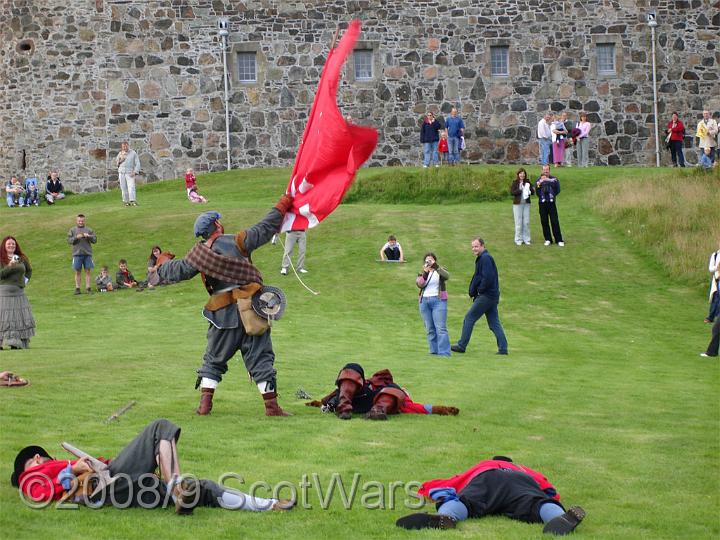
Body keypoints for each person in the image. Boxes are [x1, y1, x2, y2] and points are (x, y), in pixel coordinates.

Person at [157, 196, 294, 417]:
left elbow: (177, 270)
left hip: (221, 315)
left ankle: (204, 406)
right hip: (251, 310)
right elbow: (266, 227)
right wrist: (283, 203)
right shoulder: (239, 241)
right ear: (218, 226)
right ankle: (272, 407)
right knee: (261, 357)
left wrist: (160, 266)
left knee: (213, 359)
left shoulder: (198, 255)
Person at [11, 418, 294, 513]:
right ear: (34, 460)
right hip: (105, 487)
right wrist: (70, 471)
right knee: (160, 427)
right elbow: (40, 492)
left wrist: (83, 465)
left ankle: (267, 504)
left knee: (202, 489)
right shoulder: (30, 476)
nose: (43, 459)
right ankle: (175, 488)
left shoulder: (45, 469)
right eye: (41, 458)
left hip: (120, 488)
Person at [396, 456, 585, 536]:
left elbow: (458, 480)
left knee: (464, 502)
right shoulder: (523, 469)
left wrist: (427, 488)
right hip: (522, 483)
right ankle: (558, 517)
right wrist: (551, 498)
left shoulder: (486, 464)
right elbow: (549, 489)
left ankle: (445, 517)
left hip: (487, 479)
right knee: (538, 503)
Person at [305, 363, 459, 420]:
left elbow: (418, 408)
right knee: (352, 369)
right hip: (357, 397)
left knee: (390, 394)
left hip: (377, 398)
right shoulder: (339, 393)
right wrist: (321, 403)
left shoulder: (387, 391)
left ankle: (377, 411)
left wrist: (440, 409)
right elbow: (329, 400)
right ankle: (346, 408)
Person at [451, 238, 508, 355]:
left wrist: (479, 291)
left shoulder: (486, 258)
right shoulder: (483, 258)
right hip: (491, 296)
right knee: (494, 323)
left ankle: (462, 345)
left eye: (476, 246)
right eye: (472, 247)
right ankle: (503, 349)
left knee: (469, 318)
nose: (474, 249)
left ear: (483, 246)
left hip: (486, 296)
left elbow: (487, 278)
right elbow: (479, 277)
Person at [0, 236, 35, 350]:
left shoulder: (21, 258)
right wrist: (9, 266)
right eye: (9, 244)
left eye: (13, 244)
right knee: (5, 317)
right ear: (4, 245)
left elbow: (29, 270)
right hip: (4, 293)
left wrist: (24, 280)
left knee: (19, 317)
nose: (11, 246)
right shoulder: (1, 258)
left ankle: (16, 343)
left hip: (19, 292)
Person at [417, 252, 451, 356]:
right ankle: (434, 351)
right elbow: (419, 284)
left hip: (438, 301)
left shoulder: (440, 270)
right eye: (427, 260)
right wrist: (425, 272)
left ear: (435, 261)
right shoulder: (422, 273)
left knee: (440, 328)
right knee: (430, 328)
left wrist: (436, 267)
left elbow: (447, 276)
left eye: (431, 260)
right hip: (424, 302)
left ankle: (444, 352)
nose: (429, 262)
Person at [67, 214, 97, 295]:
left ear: (85, 221)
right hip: (77, 254)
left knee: (88, 271)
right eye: (79, 221)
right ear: (76, 221)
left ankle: (88, 288)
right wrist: (76, 237)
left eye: (82, 221)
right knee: (77, 272)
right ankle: (77, 288)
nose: (81, 222)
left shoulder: (89, 229)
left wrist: (89, 236)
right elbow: (69, 241)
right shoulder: (72, 230)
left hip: (87, 253)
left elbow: (95, 240)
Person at [536, 165, 564, 247]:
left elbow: (558, 189)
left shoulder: (554, 179)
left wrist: (552, 195)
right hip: (542, 203)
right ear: (542, 170)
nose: (546, 171)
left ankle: (559, 239)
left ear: (549, 170)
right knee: (544, 221)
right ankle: (548, 239)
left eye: (547, 169)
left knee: (554, 221)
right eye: (544, 170)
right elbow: (537, 191)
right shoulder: (539, 180)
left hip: (551, 203)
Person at [510, 168, 535, 246]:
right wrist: (520, 190)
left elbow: (533, 192)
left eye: (523, 173)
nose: (522, 175)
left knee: (526, 222)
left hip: (526, 204)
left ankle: (526, 239)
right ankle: (518, 239)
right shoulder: (515, 182)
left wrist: (530, 190)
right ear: (518, 174)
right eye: (521, 173)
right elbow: (512, 192)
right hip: (517, 205)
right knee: (518, 222)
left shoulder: (527, 182)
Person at [115, 141, 141, 206]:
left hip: (130, 173)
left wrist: (135, 172)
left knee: (131, 187)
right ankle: (126, 202)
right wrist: (121, 160)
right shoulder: (120, 153)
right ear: (122, 147)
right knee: (123, 187)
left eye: (126, 146)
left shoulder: (133, 153)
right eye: (123, 146)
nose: (125, 148)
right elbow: (116, 163)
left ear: (128, 146)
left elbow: (137, 163)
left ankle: (133, 201)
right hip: (121, 172)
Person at [705, 243, 720, 324]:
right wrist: (716, 268)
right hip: (717, 279)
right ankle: (711, 317)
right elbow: (710, 268)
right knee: (715, 298)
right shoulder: (715, 255)